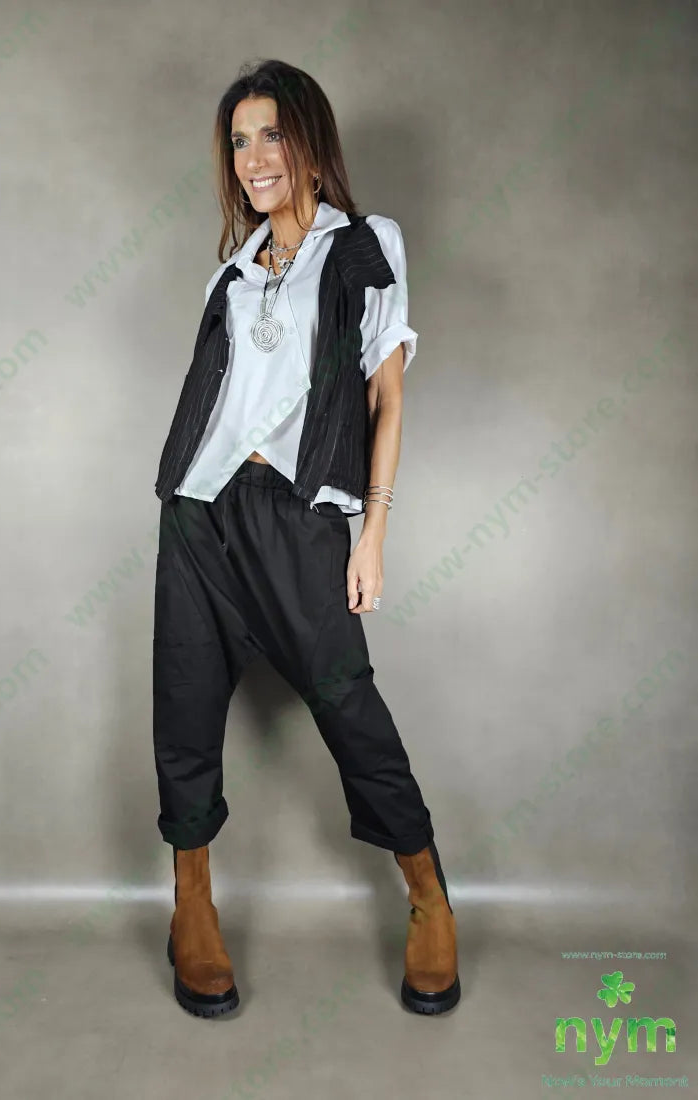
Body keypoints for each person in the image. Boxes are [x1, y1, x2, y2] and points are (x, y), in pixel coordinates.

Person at [152, 58, 460, 1019]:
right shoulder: (233, 270)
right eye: (239, 142)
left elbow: (386, 397)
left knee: (348, 706)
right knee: (184, 709)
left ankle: (427, 895)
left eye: (271, 135)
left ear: (311, 143)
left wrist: (370, 533)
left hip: (298, 518)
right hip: (198, 512)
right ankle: (190, 902)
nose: (253, 158)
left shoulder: (365, 245)